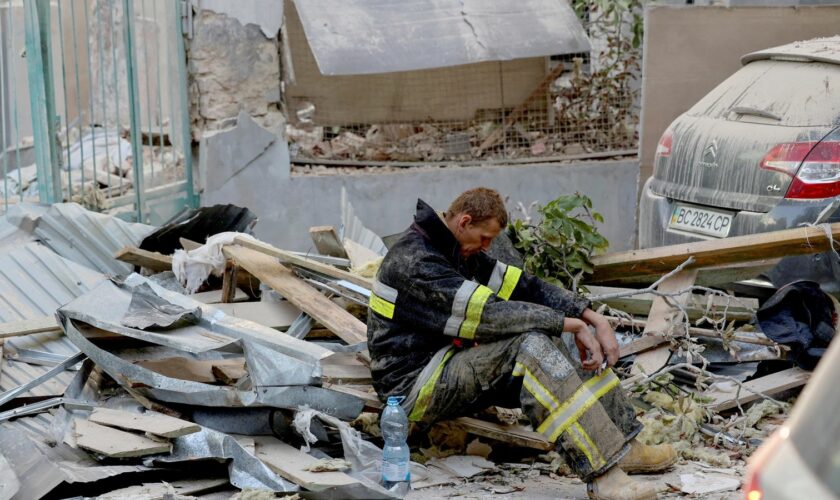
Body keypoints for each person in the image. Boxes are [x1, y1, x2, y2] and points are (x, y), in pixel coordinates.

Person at [367, 188, 676, 500]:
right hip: (414, 387)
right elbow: (490, 316)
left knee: (561, 334)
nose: (488, 247)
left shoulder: (456, 250)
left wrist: (591, 317)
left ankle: (624, 446)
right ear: (464, 221)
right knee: (531, 345)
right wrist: (568, 323)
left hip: (449, 364)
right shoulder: (415, 262)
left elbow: (525, 289)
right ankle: (603, 475)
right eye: (485, 238)